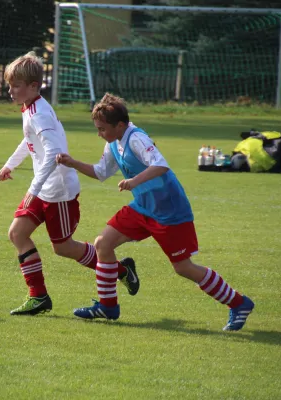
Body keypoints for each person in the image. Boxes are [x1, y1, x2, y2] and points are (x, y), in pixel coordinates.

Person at [57, 94, 255, 331]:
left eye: (102, 129)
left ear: (119, 125)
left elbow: (160, 165)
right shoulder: (113, 142)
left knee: (183, 268)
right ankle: (108, 306)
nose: (99, 133)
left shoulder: (136, 138)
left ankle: (239, 303)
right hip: (143, 207)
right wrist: (72, 163)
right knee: (103, 243)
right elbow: (101, 172)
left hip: (170, 211)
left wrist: (133, 181)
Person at [0, 53, 139, 316]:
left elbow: (53, 153)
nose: (10, 90)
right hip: (44, 188)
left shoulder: (40, 115)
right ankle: (38, 297)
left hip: (58, 191)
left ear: (33, 86)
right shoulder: (30, 108)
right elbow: (28, 140)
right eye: (10, 84)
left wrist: (33, 190)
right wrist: (10, 165)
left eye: (16, 85)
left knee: (63, 247)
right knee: (17, 233)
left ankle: (120, 269)